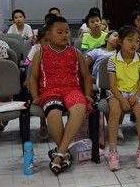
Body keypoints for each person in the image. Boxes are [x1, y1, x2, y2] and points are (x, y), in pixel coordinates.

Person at [28, 16, 93, 175]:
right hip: (50, 91)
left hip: (72, 90)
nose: (65, 35)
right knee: (54, 114)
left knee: (79, 108)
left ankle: (59, 154)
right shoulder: (40, 53)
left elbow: (86, 76)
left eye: (67, 31)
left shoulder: (75, 52)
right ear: (49, 34)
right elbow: (33, 78)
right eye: (60, 32)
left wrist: (87, 94)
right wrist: (35, 96)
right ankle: (64, 153)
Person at [106, 26, 140, 171]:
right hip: (117, 92)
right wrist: (121, 100)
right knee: (115, 111)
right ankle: (113, 150)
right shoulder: (112, 60)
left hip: (136, 92)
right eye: (130, 40)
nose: (134, 44)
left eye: (137, 41)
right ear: (120, 41)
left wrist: (136, 96)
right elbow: (112, 86)